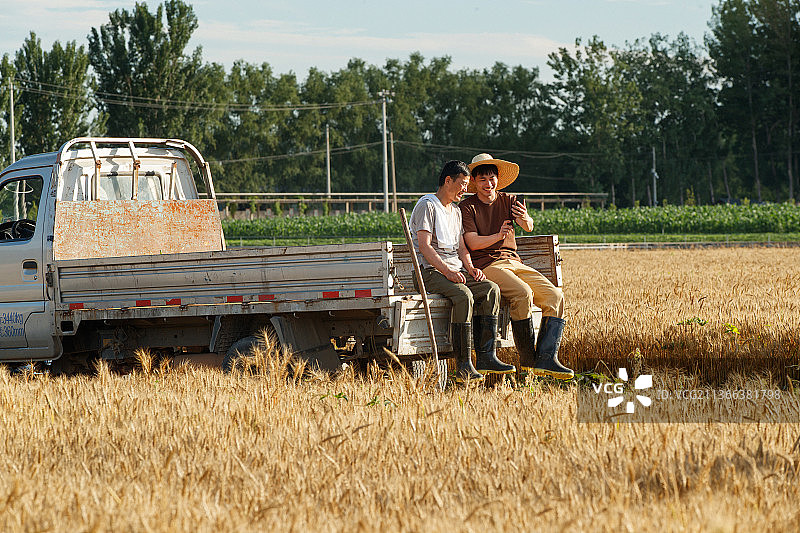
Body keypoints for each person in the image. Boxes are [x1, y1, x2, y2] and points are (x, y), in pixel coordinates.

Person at [459, 153, 573, 380]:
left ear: (497, 180)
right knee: (522, 293)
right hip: (487, 264)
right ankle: (529, 358)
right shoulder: (467, 206)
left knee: (555, 296)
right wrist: (497, 235)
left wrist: (526, 218)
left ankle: (547, 358)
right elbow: (471, 242)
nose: (488, 184)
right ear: (474, 182)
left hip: (514, 261)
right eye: (482, 179)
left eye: (492, 178)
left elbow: (528, 227)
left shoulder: (509, 200)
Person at [409, 160, 515, 383]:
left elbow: (461, 247)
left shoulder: (456, 211)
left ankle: (486, 356)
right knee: (463, 295)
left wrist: (471, 268)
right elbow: (425, 246)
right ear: (448, 181)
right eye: (463, 184)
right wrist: (447, 271)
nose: (466, 189)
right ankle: (463, 365)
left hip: (454, 271)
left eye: (467, 184)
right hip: (429, 273)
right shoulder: (427, 205)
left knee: (490, 290)